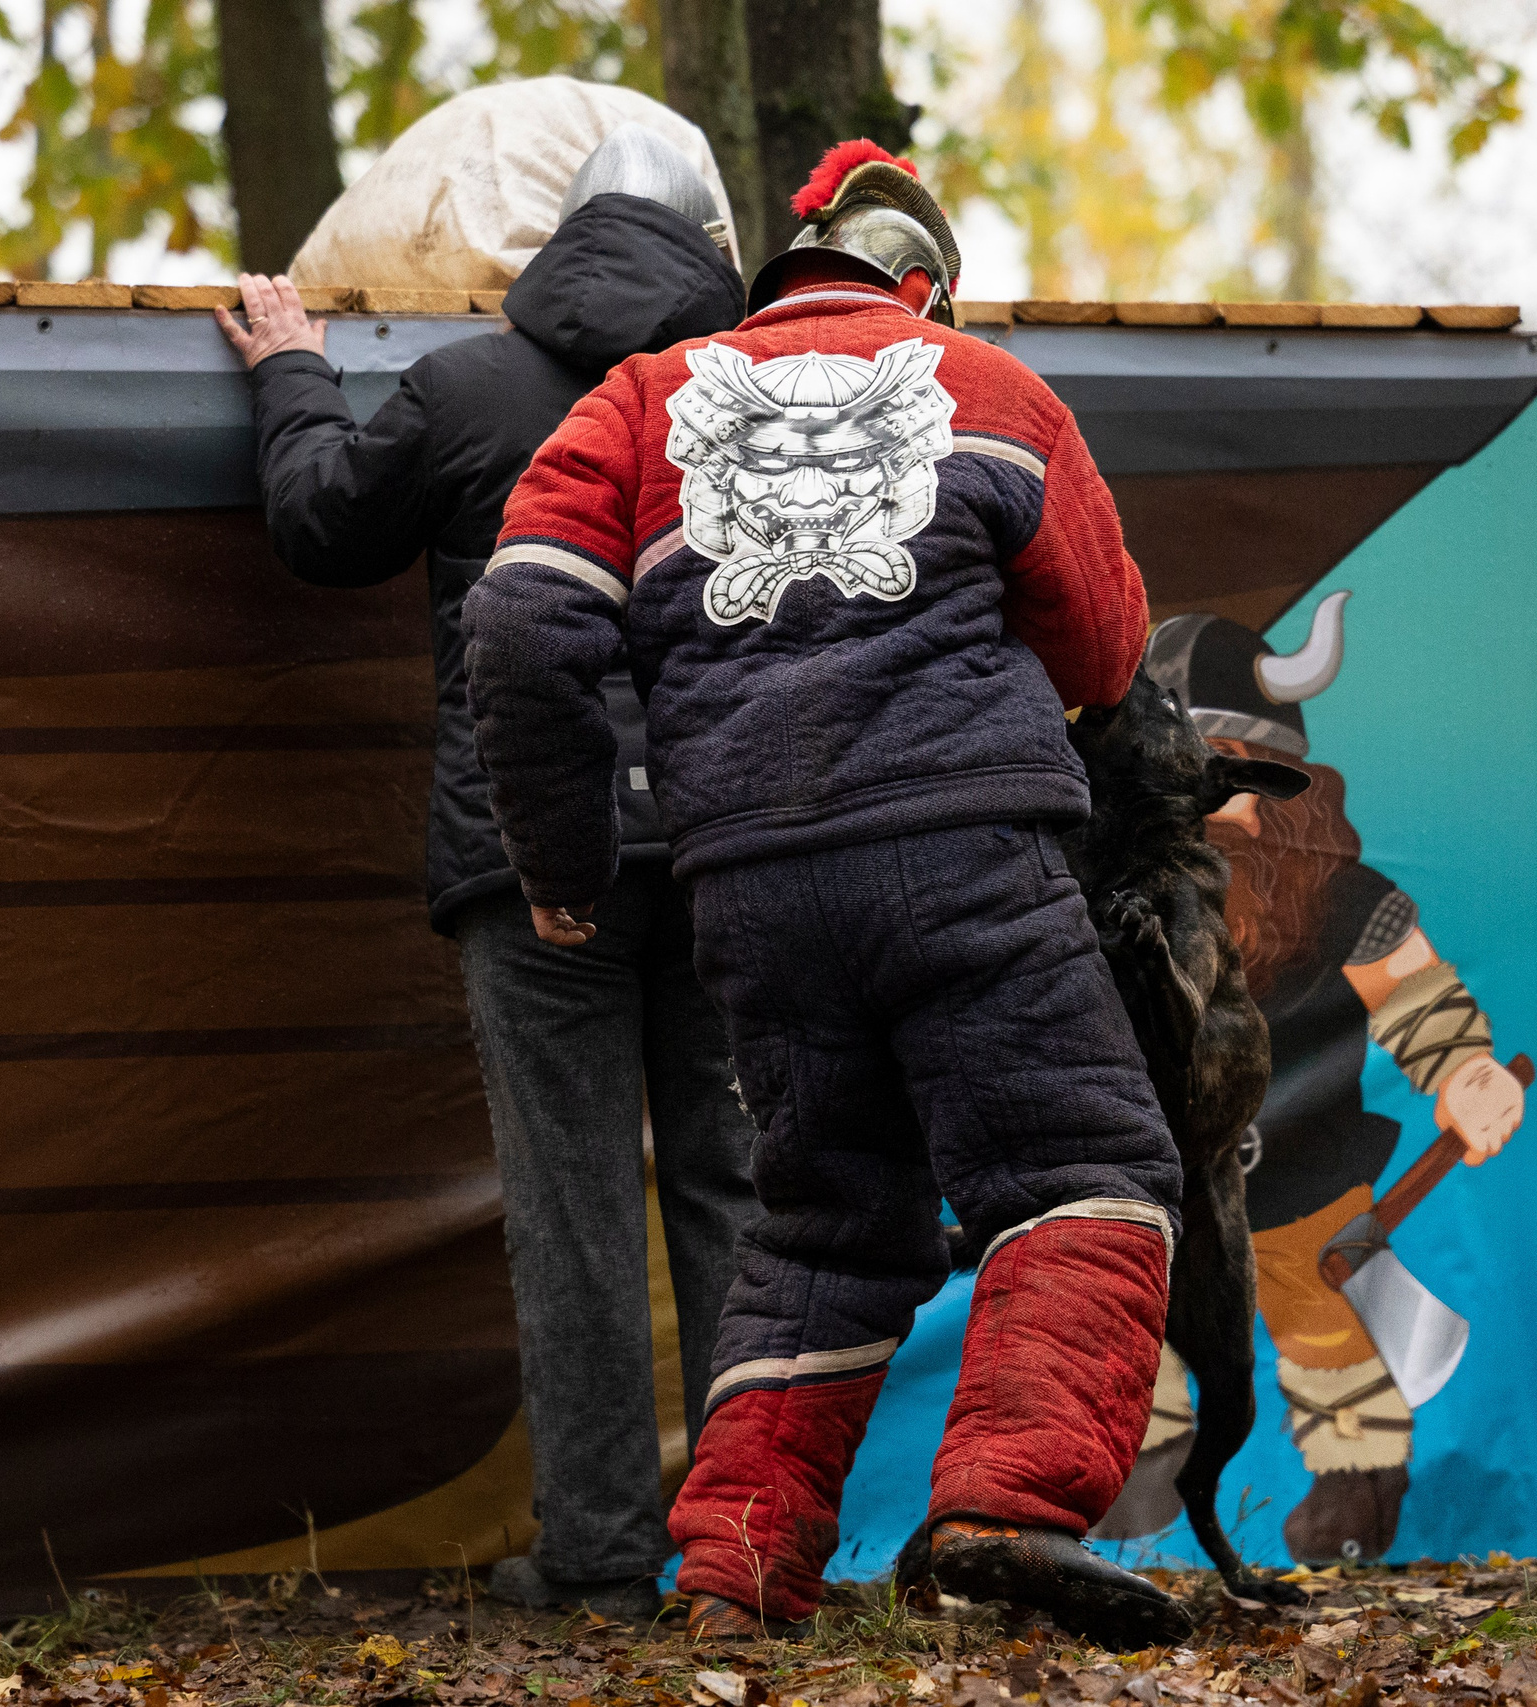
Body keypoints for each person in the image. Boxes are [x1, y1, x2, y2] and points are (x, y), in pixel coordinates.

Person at [463, 139, 1193, 1647]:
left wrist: (564, 862)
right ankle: (1003, 1501)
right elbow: (1111, 652)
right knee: (1085, 1171)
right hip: (967, 855)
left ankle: (735, 1575)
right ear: (919, 285)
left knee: (822, 1230)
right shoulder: (989, 393)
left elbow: (525, 619)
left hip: (750, 889)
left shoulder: (638, 400)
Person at [216, 122, 762, 1623]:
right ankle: (749, 1550)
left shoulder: (468, 388)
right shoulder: (760, 408)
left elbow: (324, 523)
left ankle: (594, 1551)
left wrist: (290, 370)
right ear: (717, 247)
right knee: (738, 1193)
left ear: (554, 242)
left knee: (575, 1202)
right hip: (728, 858)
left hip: (533, 858)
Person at [1148, 603, 1526, 1564]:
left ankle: (1357, 1489)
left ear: (1284, 779)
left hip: (1305, 1190)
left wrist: (1469, 1073)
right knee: (1118, 1324)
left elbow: (1419, 1000)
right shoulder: (1112, 896)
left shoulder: (1345, 902)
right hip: (1151, 1191)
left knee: (1328, 1335)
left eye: (1225, 764)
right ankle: (1128, 1472)